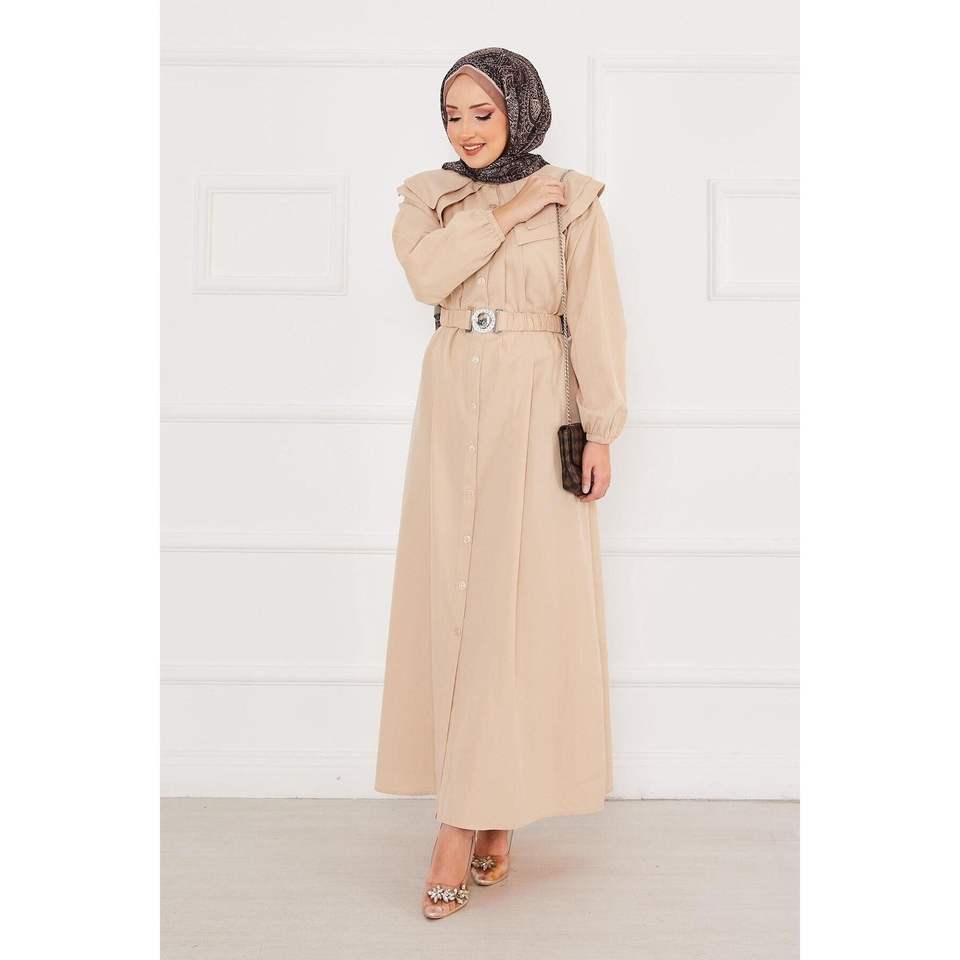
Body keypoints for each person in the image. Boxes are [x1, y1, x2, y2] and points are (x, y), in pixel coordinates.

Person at [373, 47, 628, 919]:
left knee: (515, 611)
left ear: (521, 107)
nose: (467, 131)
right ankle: (475, 811)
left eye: (482, 112)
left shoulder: (575, 200)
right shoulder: (427, 197)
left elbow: (595, 314)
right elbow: (428, 276)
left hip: (536, 399)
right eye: (453, 114)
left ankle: (475, 817)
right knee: (455, 601)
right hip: (452, 397)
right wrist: (512, 209)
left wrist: (601, 428)